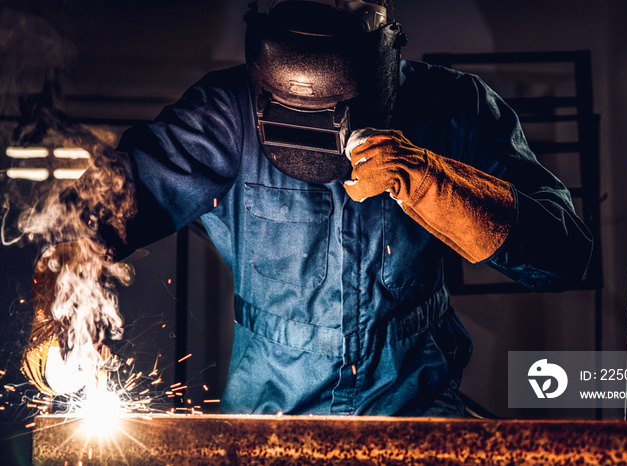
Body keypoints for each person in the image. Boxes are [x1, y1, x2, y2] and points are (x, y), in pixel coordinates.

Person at [21, 0, 593, 416]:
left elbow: (566, 255)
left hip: (415, 412)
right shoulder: (226, 115)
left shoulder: (455, 107)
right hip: (268, 422)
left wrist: (428, 178)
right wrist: (56, 321)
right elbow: (89, 219)